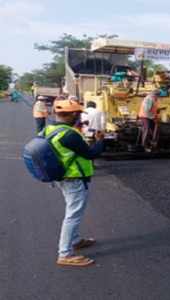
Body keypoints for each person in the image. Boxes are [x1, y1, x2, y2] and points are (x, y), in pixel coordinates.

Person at [44, 98, 104, 266]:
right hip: (74, 179)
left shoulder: (50, 129)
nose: (79, 117)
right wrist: (101, 140)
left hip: (62, 177)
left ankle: (75, 240)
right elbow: (91, 154)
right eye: (77, 114)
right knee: (73, 215)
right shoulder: (69, 134)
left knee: (72, 210)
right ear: (71, 115)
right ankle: (64, 254)